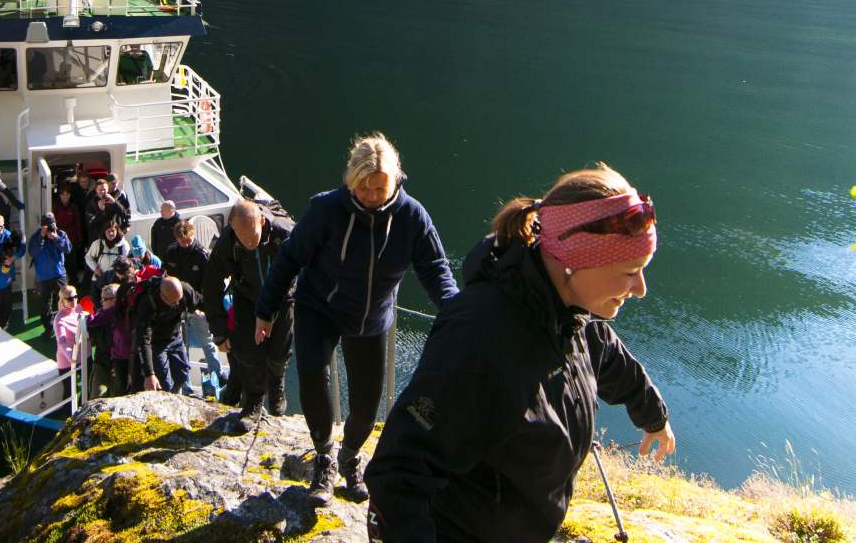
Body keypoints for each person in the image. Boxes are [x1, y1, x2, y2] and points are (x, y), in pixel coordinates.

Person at [363, 166, 674, 543]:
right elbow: (399, 473)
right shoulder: (479, 336)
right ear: (577, 258)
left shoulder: (572, 316)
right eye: (629, 272)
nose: (640, 289)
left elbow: (609, 359)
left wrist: (653, 417)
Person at [255, 133, 458, 506]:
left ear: (394, 181)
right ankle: (324, 457)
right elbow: (289, 258)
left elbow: (435, 269)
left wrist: (456, 312)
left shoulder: (411, 217)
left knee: (366, 407)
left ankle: (349, 457)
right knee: (312, 377)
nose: (371, 196)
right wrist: (265, 311)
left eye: (379, 188)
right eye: (363, 187)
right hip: (320, 308)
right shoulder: (327, 209)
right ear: (351, 179)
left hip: (371, 317)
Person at [208, 200, 294, 433]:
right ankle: (254, 401)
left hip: (282, 298)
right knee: (247, 351)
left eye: (252, 235)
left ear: (262, 221)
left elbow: (311, 267)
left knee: (279, 350)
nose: (248, 242)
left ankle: (276, 384)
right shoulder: (229, 242)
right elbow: (211, 284)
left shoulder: (285, 234)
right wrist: (219, 330)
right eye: (242, 237)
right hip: (248, 298)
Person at [162, 220, 225, 398]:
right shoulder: (171, 253)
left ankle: (219, 375)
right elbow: (165, 277)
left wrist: (203, 307)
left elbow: (211, 284)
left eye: (188, 240)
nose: (185, 244)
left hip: (198, 307)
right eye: (182, 241)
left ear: (193, 235)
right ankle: (185, 385)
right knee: (182, 345)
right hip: (177, 307)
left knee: (207, 342)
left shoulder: (202, 255)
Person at [131, 274, 202, 393]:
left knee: (182, 375)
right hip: (156, 343)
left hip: (175, 336)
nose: (177, 304)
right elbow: (143, 340)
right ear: (162, 296)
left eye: (179, 300)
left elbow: (203, 303)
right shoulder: (148, 303)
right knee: (165, 384)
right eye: (173, 302)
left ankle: (173, 396)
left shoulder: (185, 291)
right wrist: (150, 374)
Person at [86, 284, 132, 396]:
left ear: (115, 299)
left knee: (117, 396)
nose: (101, 302)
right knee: (97, 394)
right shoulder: (100, 315)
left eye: (105, 299)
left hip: (119, 364)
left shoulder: (124, 316)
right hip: (101, 362)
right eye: (101, 298)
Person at [29, 213, 73, 331]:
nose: (49, 227)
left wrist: (56, 238)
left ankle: (66, 323)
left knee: (65, 299)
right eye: (46, 225)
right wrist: (41, 237)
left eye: (51, 224)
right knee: (45, 303)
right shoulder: (36, 236)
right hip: (43, 276)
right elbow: (32, 252)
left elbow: (68, 249)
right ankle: (48, 327)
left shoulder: (61, 234)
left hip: (59, 274)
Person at [51, 283, 84, 402]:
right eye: (70, 299)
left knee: (87, 385)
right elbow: (62, 341)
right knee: (70, 391)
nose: (73, 301)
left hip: (83, 356)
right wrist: (71, 355)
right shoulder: (59, 318)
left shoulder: (79, 309)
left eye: (75, 297)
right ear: (63, 300)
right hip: (67, 361)